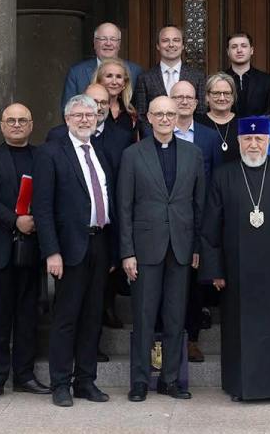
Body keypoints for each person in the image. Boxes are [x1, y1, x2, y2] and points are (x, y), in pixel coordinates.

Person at [200, 116, 270, 402]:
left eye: (259, 139)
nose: (253, 144)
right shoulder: (224, 175)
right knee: (240, 330)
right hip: (236, 272)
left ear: (268, 141)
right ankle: (240, 386)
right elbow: (211, 227)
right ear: (239, 142)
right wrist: (215, 269)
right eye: (247, 139)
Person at [118, 96, 206, 402]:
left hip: (181, 246)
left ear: (177, 116)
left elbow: (199, 204)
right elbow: (124, 206)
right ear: (149, 118)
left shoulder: (193, 153)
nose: (166, 118)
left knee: (175, 316)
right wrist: (127, 252)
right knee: (144, 316)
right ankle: (140, 381)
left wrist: (196, 245)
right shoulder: (132, 155)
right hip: (145, 247)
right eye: (159, 114)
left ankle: (170, 379)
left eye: (170, 113)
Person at [33, 94, 115, 407]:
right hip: (68, 249)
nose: (84, 120)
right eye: (78, 115)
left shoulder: (101, 151)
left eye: (89, 115)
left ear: (97, 119)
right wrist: (51, 252)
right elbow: (42, 207)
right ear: (67, 119)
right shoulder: (51, 153)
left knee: (93, 317)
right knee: (66, 318)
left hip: (100, 243)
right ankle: (60, 384)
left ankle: (85, 382)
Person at [0, 103, 50, 400]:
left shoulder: (43, 156)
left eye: (22, 120)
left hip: (33, 247)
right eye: (11, 120)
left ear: (31, 125)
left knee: (29, 316)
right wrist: (15, 220)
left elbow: (51, 195)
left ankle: (25, 376)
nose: (17, 125)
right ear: (2, 125)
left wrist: (37, 221)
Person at [170, 79, 222, 362]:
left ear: (197, 102)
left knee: (193, 284)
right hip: (166, 220)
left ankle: (191, 339)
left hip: (197, 219)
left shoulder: (209, 137)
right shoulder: (157, 132)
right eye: (178, 97)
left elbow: (216, 181)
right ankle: (166, 340)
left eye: (189, 97)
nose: (184, 102)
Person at [61, 22, 143, 113]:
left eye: (113, 39)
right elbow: (67, 110)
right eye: (103, 39)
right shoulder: (77, 72)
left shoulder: (135, 71)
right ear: (94, 43)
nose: (108, 43)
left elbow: (140, 109)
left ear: (119, 44)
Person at [133, 25, 206, 116]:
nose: (171, 45)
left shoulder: (197, 77)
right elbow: (142, 115)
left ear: (183, 45)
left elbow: (201, 112)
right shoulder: (145, 78)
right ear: (158, 46)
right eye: (165, 41)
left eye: (176, 40)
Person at [92, 57, 148, 144]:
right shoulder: (88, 109)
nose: (114, 82)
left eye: (119, 77)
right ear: (99, 81)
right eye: (109, 76)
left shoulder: (131, 113)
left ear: (124, 83)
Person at [224, 32, 270, 117]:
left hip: (257, 125)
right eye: (234, 47)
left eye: (244, 46)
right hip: (226, 125)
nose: (239, 50)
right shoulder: (218, 80)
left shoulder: (267, 80)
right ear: (228, 52)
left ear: (251, 50)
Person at [195, 72, 240, 163]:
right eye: (216, 93)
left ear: (233, 97)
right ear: (207, 97)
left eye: (227, 93)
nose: (222, 98)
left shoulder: (243, 124)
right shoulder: (196, 122)